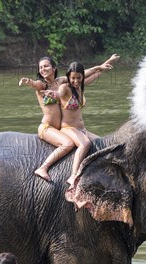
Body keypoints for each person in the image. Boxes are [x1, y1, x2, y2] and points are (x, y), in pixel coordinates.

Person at [19, 54, 119, 182]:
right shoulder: (42, 85)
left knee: (103, 143)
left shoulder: (61, 81)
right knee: (68, 144)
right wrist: (28, 81)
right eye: (40, 67)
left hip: (62, 128)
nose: (43, 69)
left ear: (53, 68)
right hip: (47, 127)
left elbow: (82, 75)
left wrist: (102, 66)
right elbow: (36, 85)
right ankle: (43, 168)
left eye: (46, 66)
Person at [43, 62, 92, 187]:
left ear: (82, 77)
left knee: (102, 143)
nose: (76, 81)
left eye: (79, 78)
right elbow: (58, 94)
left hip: (82, 129)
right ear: (69, 77)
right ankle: (73, 175)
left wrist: (103, 66)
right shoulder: (65, 88)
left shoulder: (79, 87)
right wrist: (54, 94)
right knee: (85, 144)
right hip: (68, 128)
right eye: (73, 78)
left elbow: (94, 73)